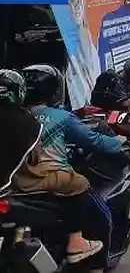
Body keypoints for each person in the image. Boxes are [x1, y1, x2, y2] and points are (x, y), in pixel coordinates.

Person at [23, 65, 126, 273]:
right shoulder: (60, 117)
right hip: (52, 180)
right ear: (54, 90)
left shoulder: (15, 116)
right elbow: (94, 140)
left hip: (15, 183)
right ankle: (95, 263)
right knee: (101, 215)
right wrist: (117, 142)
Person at [0, 69, 104, 265]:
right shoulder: (27, 120)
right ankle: (76, 242)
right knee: (79, 182)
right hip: (14, 184)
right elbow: (33, 157)